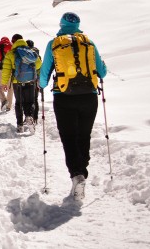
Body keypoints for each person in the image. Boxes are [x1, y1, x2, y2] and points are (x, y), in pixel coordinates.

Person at [39, 12, 107, 201]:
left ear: (61, 25)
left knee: (69, 137)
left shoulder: (54, 44)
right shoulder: (89, 43)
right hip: (89, 97)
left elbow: (44, 75)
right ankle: (82, 174)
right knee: (83, 136)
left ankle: (77, 175)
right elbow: (102, 72)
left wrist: (41, 85)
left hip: (64, 97)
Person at [1, 33, 42, 132]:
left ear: (13, 42)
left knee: (19, 103)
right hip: (30, 81)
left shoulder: (11, 53)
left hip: (17, 82)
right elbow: (39, 65)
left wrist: (4, 83)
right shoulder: (30, 52)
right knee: (30, 102)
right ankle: (29, 117)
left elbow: (6, 70)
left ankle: (20, 125)